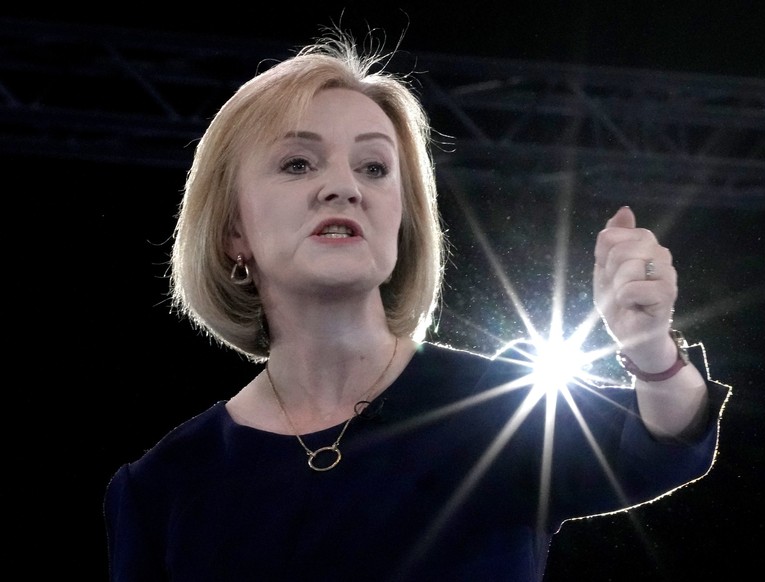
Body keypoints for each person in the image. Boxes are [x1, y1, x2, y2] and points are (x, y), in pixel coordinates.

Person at [104, 28, 730, 582]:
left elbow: (661, 443)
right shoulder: (162, 489)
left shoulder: (498, 409)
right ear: (233, 230)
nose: (344, 187)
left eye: (375, 167)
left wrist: (650, 350)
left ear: (402, 222)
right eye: (297, 163)